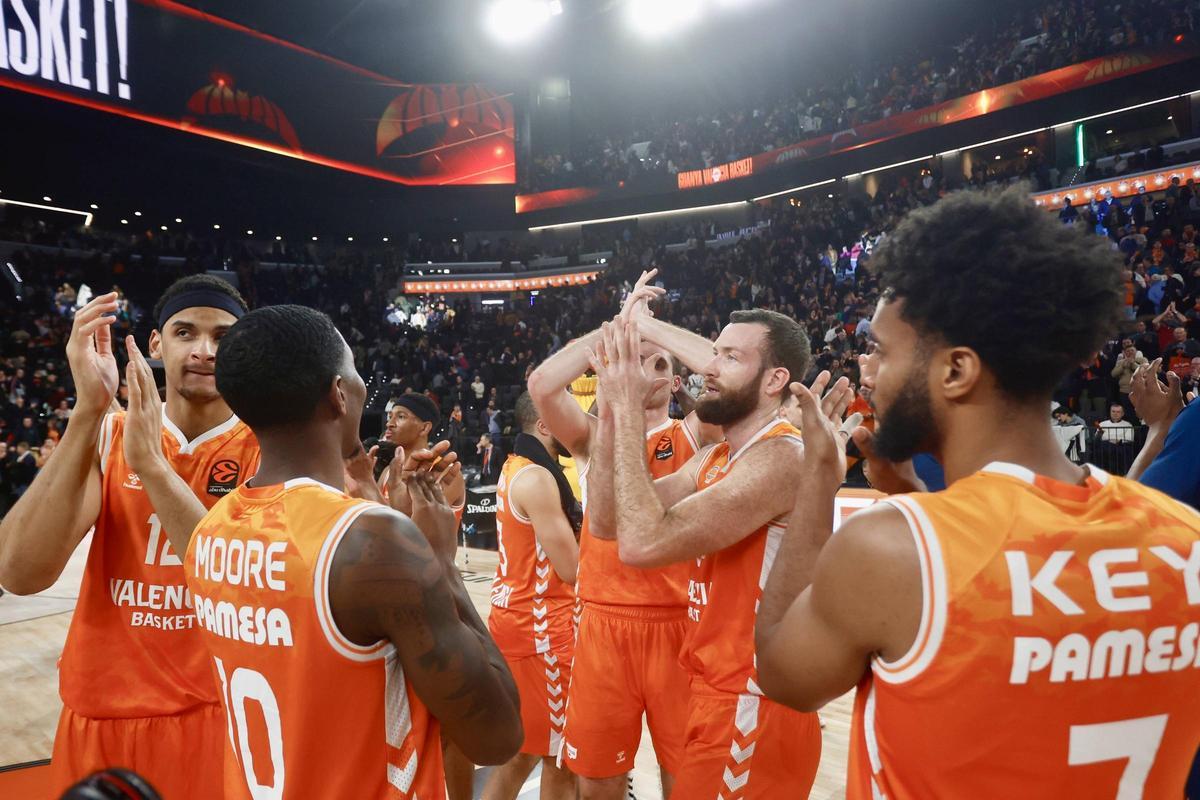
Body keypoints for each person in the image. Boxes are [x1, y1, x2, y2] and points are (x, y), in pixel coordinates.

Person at [752, 186, 1200, 798]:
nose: (868, 371)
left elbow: (782, 673)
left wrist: (815, 481)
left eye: (881, 350)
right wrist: (912, 497)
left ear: (955, 371)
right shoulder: (1183, 536)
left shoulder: (894, 551)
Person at [124, 304, 523, 798]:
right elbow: (496, 737)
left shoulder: (211, 530)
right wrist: (439, 560)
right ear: (338, 394)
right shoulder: (374, 543)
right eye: (355, 375)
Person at [0, 275, 259, 797]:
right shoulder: (108, 434)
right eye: (186, 333)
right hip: (99, 707)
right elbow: (20, 572)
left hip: (216, 711)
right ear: (158, 344)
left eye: (224, 338)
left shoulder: (268, 447)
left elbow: (247, 589)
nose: (205, 351)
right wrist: (89, 409)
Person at [587, 310, 830, 798]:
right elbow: (607, 522)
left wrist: (630, 405)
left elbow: (641, 544)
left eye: (730, 356)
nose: (709, 367)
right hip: (711, 691)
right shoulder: (717, 457)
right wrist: (613, 413)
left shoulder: (780, 457)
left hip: (752, 701)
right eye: (713, 353)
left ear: (775, 379)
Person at [527, 268, 719, 799]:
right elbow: (543, 384)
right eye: (635, 357)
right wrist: (618, 328)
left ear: (675, 382)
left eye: (657, 363)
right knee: (599, 786)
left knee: (690, 784)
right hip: (603, 622)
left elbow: (727, 372)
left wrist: (654, 330)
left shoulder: (697, 433)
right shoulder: (592, 437)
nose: (645, 367)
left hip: (680, 625)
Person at [482, 392, 580, 800]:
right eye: (564, 413)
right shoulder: (538, 478)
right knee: (560, 757)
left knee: (526, 752)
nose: (574, 421)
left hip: (518, 620)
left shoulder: (514, 467)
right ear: (543, 425)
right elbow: (571, 568)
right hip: (542, 629)